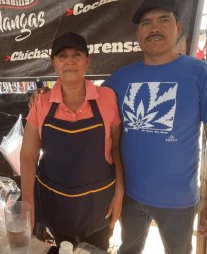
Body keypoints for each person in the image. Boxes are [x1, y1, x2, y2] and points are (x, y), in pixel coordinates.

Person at [103, 0, 207, 254]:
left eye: (164, 20)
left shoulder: (200, 73)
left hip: (179, 202)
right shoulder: (119, 79)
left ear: (179, 28)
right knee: (128, 249)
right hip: (129, 196)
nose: (154, 28)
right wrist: (45, 96)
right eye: (146, 23)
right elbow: (85, 104)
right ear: (138, 33)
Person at [20, 32, 124, 250]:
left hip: (99, 205)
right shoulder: (42, 101)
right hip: (57, 205)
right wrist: (27, 207)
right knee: (64, 248)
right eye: (62, 55)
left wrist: (119, 194)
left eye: (77, 54)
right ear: (54, 63)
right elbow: (28, 156)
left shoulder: (107, 97)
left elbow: (116, 149)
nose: (70, 60)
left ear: (87, 60)